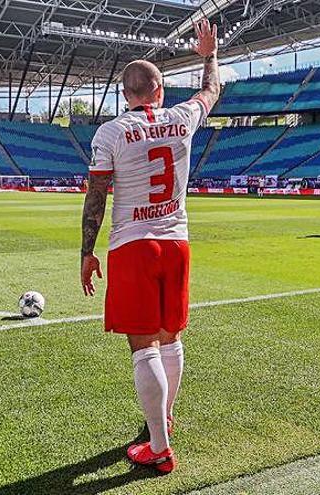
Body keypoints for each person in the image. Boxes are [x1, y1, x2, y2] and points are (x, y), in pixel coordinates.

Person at [79, 18, 220, 474]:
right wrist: (208, 56)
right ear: (159, 90)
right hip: (176, 242)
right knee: (171, 339)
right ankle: (165, 420)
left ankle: (158, 446)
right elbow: (212, 91)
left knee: (143, 348)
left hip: (133, 246)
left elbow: (97, 196)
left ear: (127, 94)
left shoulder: (110, 132)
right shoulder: (182, 119)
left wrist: (86, 251)